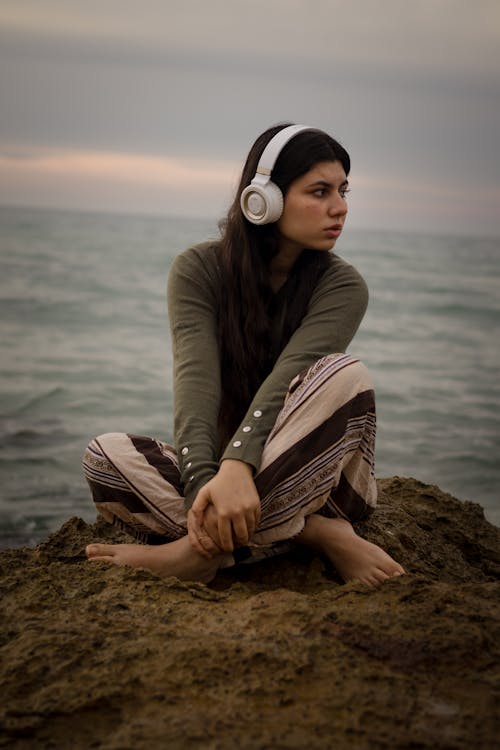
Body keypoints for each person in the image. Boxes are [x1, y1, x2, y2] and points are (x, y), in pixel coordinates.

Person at [83, 123, 405, 587]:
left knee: (343, 373)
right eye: (320, 191)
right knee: (104, 454)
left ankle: (196, 554)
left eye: (343, 191)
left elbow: (289, 376)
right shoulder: (198, 270)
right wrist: (205, 484)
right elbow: (196, 384)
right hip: (228, 488)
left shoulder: (343, 286)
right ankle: (314, 535)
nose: (340, 208)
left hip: (322, 484)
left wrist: (237, 466)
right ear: (262, 199)